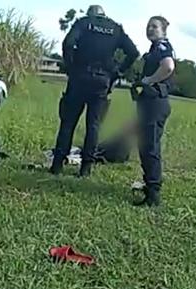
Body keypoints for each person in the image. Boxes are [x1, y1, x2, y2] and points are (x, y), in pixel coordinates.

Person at [50, 4, 140, 178]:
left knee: (68, 122)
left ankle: (57, 165)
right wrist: (117, 72)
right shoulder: (115, 28)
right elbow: (133, 52)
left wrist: (71, 66)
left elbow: (68, 43)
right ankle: (85, 168)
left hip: (79, 78)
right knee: (94, 126)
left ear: (91, 14)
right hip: (102, 81)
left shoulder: (83, 23)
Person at [132, 16, 176, 207]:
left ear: (164, 30)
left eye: (155, 27)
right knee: (147, 145)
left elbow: (168, 66)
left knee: (150, 147)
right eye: (148, 26)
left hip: (156, 103)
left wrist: (149, 80)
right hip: (151, 102)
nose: (150, 29)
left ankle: (153, 194)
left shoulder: (162, 46)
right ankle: (150, 186)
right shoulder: (154, 48)